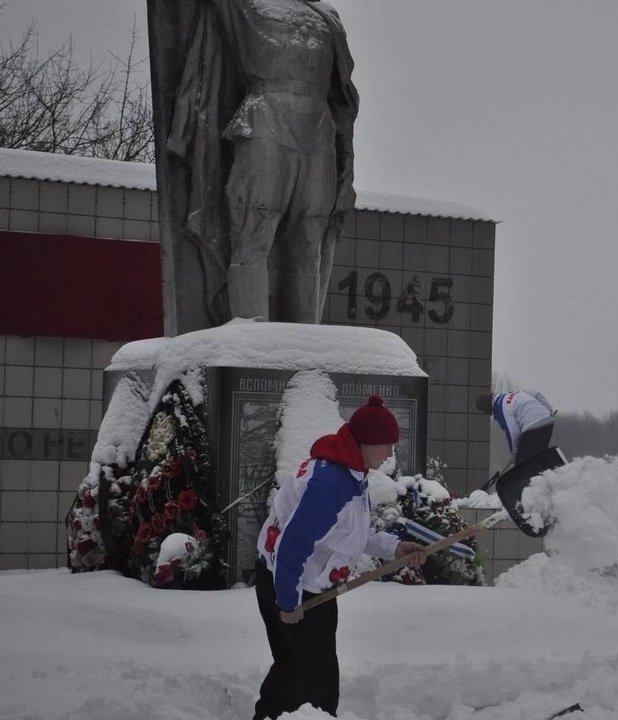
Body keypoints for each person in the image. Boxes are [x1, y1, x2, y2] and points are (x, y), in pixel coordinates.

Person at [164, 0, 358, 325]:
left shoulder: (327, 17)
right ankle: (251, 346)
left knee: (309, 246)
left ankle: (304, 350)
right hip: (264, 118)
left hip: (319, 132)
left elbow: (342, 100)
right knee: (253, 235)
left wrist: (346, 168)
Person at [252, 395, 425, 720]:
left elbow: (346, 534)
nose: (391, 453)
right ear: (366, 441)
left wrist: (395, 549)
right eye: (386, 445)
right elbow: (293, 546)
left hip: (296, 583)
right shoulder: (330, 484)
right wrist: (288, 604)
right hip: (294, 588)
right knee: (317, 684)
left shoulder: (348, 472)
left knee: (293, 669)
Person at [476, 390, 557, 469]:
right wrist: (549, 410)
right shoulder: (514, 394)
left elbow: (513, 433)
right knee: (538, 458)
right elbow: (537, 394)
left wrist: (514, 453)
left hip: (532, 427)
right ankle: (545, 475)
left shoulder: (500, 408)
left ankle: (528, 481)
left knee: (523, 464)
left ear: (487, 406)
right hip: (547, 422)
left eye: (484, 411)